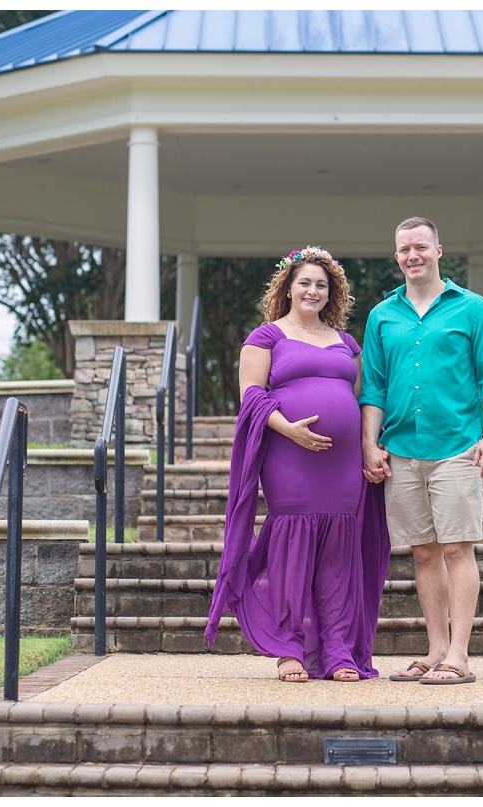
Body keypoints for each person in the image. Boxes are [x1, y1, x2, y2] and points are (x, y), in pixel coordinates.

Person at [206, 246, 391, 683]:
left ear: (333, 294)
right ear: (288, 287)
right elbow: (251, 395)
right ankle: (289, 647)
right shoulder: (266, 336)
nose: (312, 290)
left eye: (321, 285)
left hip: (343, 464)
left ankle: (338, 650)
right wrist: (288, 429)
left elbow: (363, 399)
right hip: (290, 457)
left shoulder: (346, 342)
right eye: (304, 282)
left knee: (338, 553)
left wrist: (369, 446)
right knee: (292, 546)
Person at [360, 217, 483, 685]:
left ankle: (460, 656)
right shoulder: (382, 315)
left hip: (457, 448)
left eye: (420, 246)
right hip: (402, 449)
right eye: (404, 249)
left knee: (457, 549)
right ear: (397, 256)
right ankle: (436, 650)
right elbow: (374, 388)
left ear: (439, 251)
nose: (412, 255)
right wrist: (370, 443)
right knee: (423, 553)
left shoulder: (474, 309)